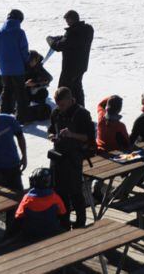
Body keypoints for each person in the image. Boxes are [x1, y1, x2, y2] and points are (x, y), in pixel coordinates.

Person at [48, 86, 93, 229]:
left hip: (74, 157)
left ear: (70, 100)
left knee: (75, 192)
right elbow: (50, 129)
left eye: (62, 105)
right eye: (58, 105)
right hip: (58, 157)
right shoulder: (55, 113)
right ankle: (64, 223)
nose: (60, 108)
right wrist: (52, 136)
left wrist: (72, 135)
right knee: (60, 192)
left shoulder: (82, 114)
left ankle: (80, 223)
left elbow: (90, 138)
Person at [46, 10, 93, 106]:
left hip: (70, 68)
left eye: (67, 21)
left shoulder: (73, 33)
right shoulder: (88, 30)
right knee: (77, 88)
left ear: (71, 20)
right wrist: (61, 37)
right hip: (82, 66)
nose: (67, 23)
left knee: (63, 90)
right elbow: (66, 39)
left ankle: (65, 111)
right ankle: (80, 110)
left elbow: (59, 46)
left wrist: (49, 39)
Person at [0, 9, 29, 118]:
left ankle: (4, 116)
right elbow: (24, 50)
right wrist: (26, 61)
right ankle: (21, 118)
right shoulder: (20, 32)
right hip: (17, 69)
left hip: (4, 69)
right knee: (20, 93)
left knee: (7, 90)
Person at [15, 167, 66, 240]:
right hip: (52, 231)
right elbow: (62, 213)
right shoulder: (55, 197)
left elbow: (18, 216)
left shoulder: (27, 198)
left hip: (32, 235)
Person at [21, 50, 53, 123]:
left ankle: (39, 108)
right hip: (25, 89)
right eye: (30, 61)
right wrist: (26, 84)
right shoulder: (23, 66)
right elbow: (17, 82)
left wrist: (36, 83)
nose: (31, 63)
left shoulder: (38, 67)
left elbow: (49, 78)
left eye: (33, 61)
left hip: (35, 89)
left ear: (36, 60)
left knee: (43, 92)